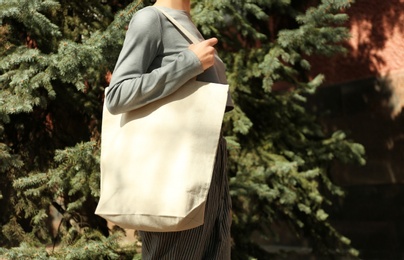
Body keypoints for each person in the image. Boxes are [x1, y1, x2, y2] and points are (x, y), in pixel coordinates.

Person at [105, 0, 233, 259]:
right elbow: (117, 95)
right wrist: (189, 63)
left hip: (210, 169)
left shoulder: (188, 25)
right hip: (174, 172)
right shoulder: (150, 19)